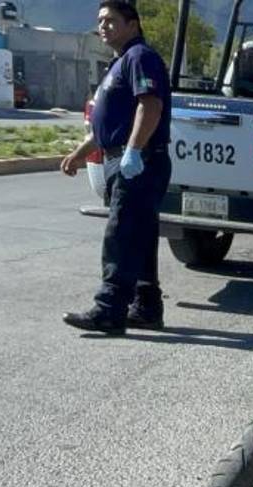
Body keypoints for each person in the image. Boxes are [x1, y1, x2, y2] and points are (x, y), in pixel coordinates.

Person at [60, 0, 172, 335]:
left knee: (121, 235)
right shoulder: (121, 61)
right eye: (100, 21)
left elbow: (149, 105)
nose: (103, 26)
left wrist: (134, 151)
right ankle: (146, 306)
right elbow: (108, 124)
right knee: (139, 234)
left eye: (111, 20)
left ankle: (109, 310)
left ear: (132, 24)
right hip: (123, 156)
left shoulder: (140, 57)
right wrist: (81, 153)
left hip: (139, 161)